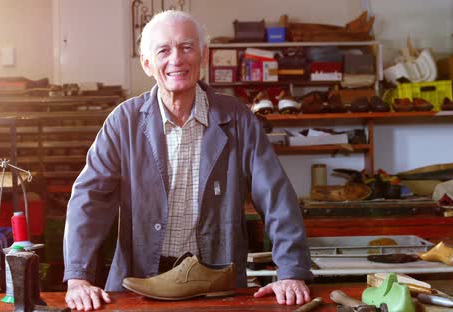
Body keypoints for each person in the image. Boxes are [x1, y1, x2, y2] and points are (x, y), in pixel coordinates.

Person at [63, 10, 313, 311]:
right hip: (139, 283)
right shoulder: (123, 123)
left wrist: (291, 271)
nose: (176, 59)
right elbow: (89, 200)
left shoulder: (237, 119)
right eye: (163, 50)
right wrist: (78, 277)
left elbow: (276, 196)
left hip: (216, 285)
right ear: (147, 63)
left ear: (203, 56)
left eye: (186, 47)